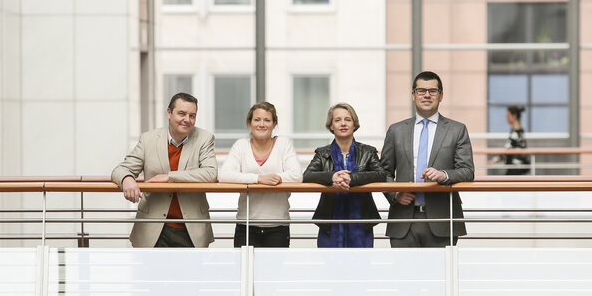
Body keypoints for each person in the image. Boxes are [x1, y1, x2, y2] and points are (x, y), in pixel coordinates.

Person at [380, 71, 475, 248]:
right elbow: (383, 172)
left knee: (441, 275)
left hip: (443, 218)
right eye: (421, 90)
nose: (426, 95)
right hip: (403, 219)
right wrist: (394, 194)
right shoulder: (396, 130)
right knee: (404, 274)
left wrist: (443, 175)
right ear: (413, 95)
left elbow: (467, 171)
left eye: (432, 91)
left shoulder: (457, 130)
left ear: (441, 96)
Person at [111, 92, 217, 248]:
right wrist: (127, 179)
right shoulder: (148, 139)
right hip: (152, 227)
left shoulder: (205, 138)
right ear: (169, 113)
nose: (187, 120)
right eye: (181, 113)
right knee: (149, 273)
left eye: (192, 115)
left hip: (191, 227)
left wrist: (170, 177)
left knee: (192, 273)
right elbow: (120, 169)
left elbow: (211, 174)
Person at [303, 102, 386, 248]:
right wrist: (332, 177)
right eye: (337, 120)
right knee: (330, 267)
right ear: (331, 126)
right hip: (329, 222)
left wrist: (352, 178)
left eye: (348, 119)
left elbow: (381, 174)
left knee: (362, 267)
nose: (343, 123)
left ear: (354, 124)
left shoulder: (368, 151)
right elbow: (307, 175)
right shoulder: (322, 153)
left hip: (362, 220)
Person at [219, 101, 302, 247]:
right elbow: (225, 175)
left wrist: (269, 179)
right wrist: (258, 178)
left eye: (267, 120)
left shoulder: (283, 144)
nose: (261, 124)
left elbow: (296, 176)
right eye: (257, 120)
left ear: (274, 123)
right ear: (249, 123)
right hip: (246, 224)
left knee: (274, 270)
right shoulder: (241, 145)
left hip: (278, 225)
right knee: (244, 269)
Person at [490, 105, 530, 175]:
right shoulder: (519, 131)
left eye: (508, 116)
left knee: (504, 184)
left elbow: (508, 150)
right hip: (517, 166)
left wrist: (495, 159)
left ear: (514, 116)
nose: (506, 118)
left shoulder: (516, 133)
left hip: (516, 167)